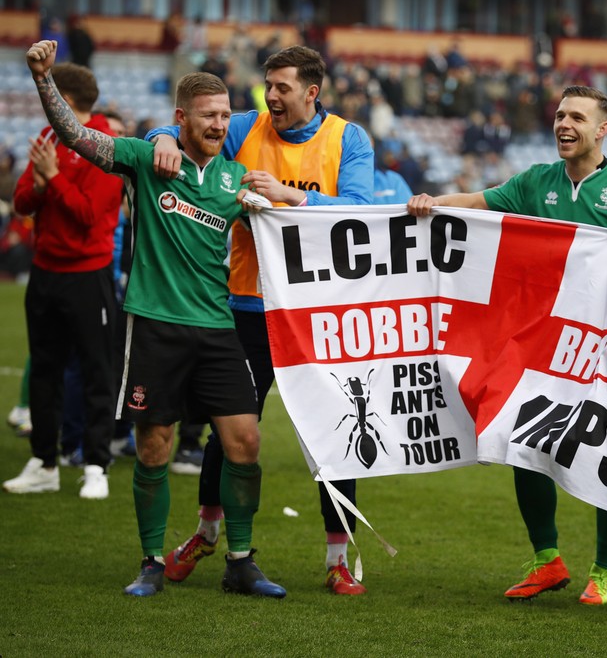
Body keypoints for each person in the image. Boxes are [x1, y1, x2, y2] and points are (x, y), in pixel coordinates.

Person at [22, 39, 285, 599]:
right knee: (154, 446)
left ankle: (239, 560)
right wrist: (45, 78)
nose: (218, 125)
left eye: (224, 116)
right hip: (154, 324)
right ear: (180, 118)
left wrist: (282, 197)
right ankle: (150, 562)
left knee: (245, 441)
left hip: (217, 328)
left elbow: (297, 226)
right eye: (208, 116)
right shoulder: (147, 159)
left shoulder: (237, 180)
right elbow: (76, 136)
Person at [407, 85, 607, 606]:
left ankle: (605, 571)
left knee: (606, 450)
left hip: (606, 342)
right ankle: (546, 560)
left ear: (603, 130)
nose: (563, 124)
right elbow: (480, 204)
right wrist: (432, 203)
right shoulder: (536, 181)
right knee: (523, 443)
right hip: (540, 338)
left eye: (576, 117)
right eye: (559, 115)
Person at [146, 45, 374, 595]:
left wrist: (288, 198)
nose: (269, 96)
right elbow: (186, 124)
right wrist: (159, 138)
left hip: (319, 311)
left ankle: (338, 559)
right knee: (231, 430)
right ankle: (205, 533)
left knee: (337, 434)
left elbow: (361, 211)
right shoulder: (245, 126)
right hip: (248, 306)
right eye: (268, 85)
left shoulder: (348, 139)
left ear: (311, 93)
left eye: (282, 87)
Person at [3, 61, 123, 500]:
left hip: (88, 275)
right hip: (46, 272)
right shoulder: (48, 137)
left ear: (66, 102)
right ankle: (44, 462)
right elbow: (20, 202)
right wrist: (39, 186)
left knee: (96, 370)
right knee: (44, 370)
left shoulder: (105, 144)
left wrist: (52, 178)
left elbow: (91, 215)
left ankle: (95, 464)